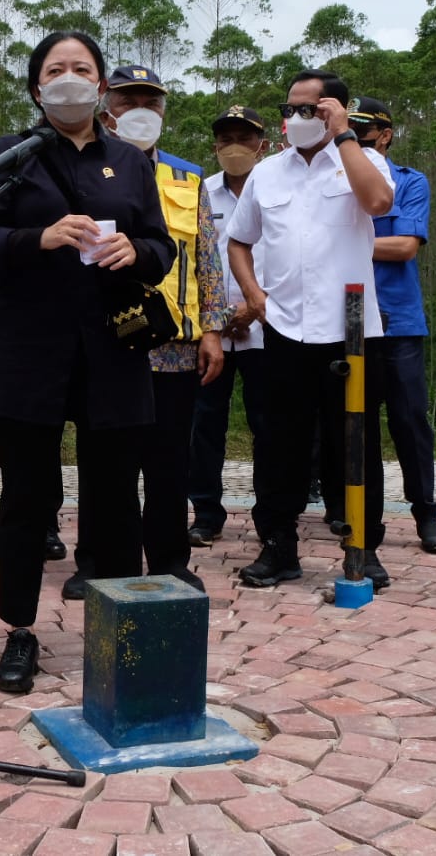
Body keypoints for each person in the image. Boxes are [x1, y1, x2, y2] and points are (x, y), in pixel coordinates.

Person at [0, 31, 175, 693]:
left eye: (82, 68)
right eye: (56, 70)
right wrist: (40, 237)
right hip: (28, 349)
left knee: (114, 497)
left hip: (113, 348)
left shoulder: (132, 161)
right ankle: (20, 631)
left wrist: (133, 256)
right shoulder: (9, 157)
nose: (70, 78)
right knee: (29, 495)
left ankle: (117, 633)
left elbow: (161, 248)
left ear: (102, 85)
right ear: (36, 87)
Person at [229, 70, 395, 590]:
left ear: (336, 110)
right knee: (279, 443)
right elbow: (238, 240)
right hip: (283, 327)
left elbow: (379, 204)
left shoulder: (364, 163)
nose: (298, 118)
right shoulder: (267, 174)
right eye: (291, 108)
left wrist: (344, 135)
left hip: (351, 328)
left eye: (312, 108)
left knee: (356, 441)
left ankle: (363, 547)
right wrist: (254, 295)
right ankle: (278, 547)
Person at [70, 63, 221, 598]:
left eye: (151, 102)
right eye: (130, 100)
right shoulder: (81, 170)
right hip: (108, 343)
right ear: (108, 108)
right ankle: (93, 562)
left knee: (168, 461)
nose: (142, 111)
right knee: (102, 459)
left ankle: (168, 560)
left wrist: (212, 330)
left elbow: (206, 258)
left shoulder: (188, 178)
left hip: (174, 344)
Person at [356, 97, 436, 555]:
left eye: (363, 129)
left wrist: (345, 243)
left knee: (410, 421)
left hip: (398, 322)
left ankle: (425, 513)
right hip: (347, 321)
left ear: (386, 134)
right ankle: (357, 517)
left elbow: (405, 247)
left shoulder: (410, 183)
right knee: (356, 423)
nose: (354, 138)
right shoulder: (335, 183)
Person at [189, 106, 271, 545]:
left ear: (263, 144)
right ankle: (205, 511)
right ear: (215, 146)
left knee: (268, 425)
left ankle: (270, 512)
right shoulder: (200, 192)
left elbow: (289, 259)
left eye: (245, 136)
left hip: (267, 327)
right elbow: (196, 262)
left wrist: (255, 307)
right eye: (226, 138)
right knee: (204, 424)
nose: (235, 146)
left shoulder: (276, 190)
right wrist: (218, 318)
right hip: (212, 333)